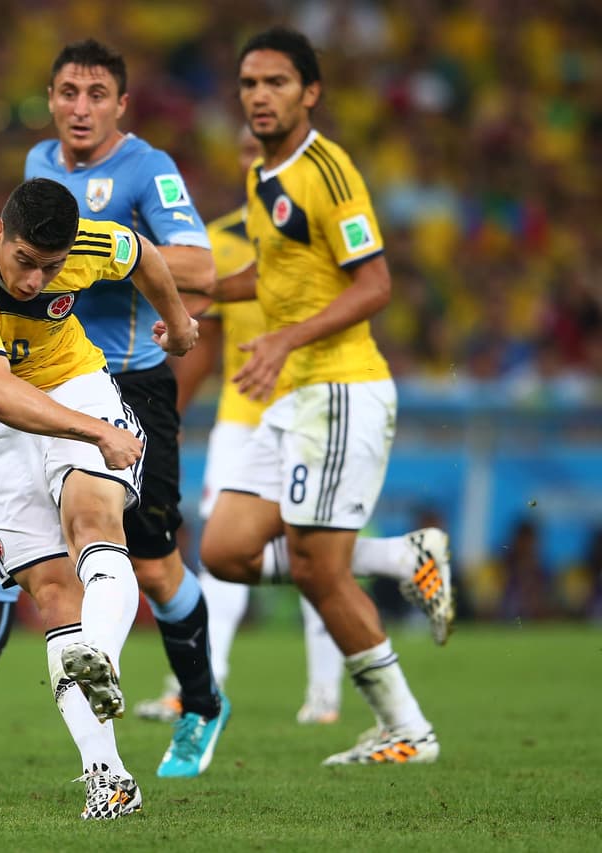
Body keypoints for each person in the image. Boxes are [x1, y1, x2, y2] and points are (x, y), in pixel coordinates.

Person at [0, 38, 228, 782]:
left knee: (147, 555)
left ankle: (199, 700)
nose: (81, 108)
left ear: (120, 103)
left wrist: (177, 321)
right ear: (49, 98)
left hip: (118, 378)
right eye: (68, 92)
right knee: (29, 568)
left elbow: (165, 255)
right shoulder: (28, 188)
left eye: (96, 94)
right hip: (27, 392)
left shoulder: (146, 171)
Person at [0, 176, 199, 819]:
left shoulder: (86, 244)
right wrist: (99, 433)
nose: (36, 282)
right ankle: (110, 777)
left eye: (51, 267)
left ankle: (102, 657)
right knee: (54, 592)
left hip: (76, 384)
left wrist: (177, 325)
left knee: (93, 520)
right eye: (26, 264)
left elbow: (142, 253)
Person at [192, 28, 452, 765]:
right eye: (248, 84)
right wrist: (198, 298)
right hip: (293, 397)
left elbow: (375, 284)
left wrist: (282, 339)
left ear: (310, 92)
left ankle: (407, 727)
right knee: (226, 546)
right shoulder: (264, 174)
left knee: (316, 569)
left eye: (275, 82)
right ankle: (404, 557)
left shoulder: (327, 173)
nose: (259, 97)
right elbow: (272, 277)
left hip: (339, 389)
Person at [136, 128, 454, 728]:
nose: (254, 158)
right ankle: (203, 682)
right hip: (248, 412)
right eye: (245, 149)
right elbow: (224, 323)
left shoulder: (317, 198)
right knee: (231, 552)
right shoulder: (227, 234)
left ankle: (329, 701)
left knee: (315, 556)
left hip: (318, 394)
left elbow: (364, 285)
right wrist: (173, 400)